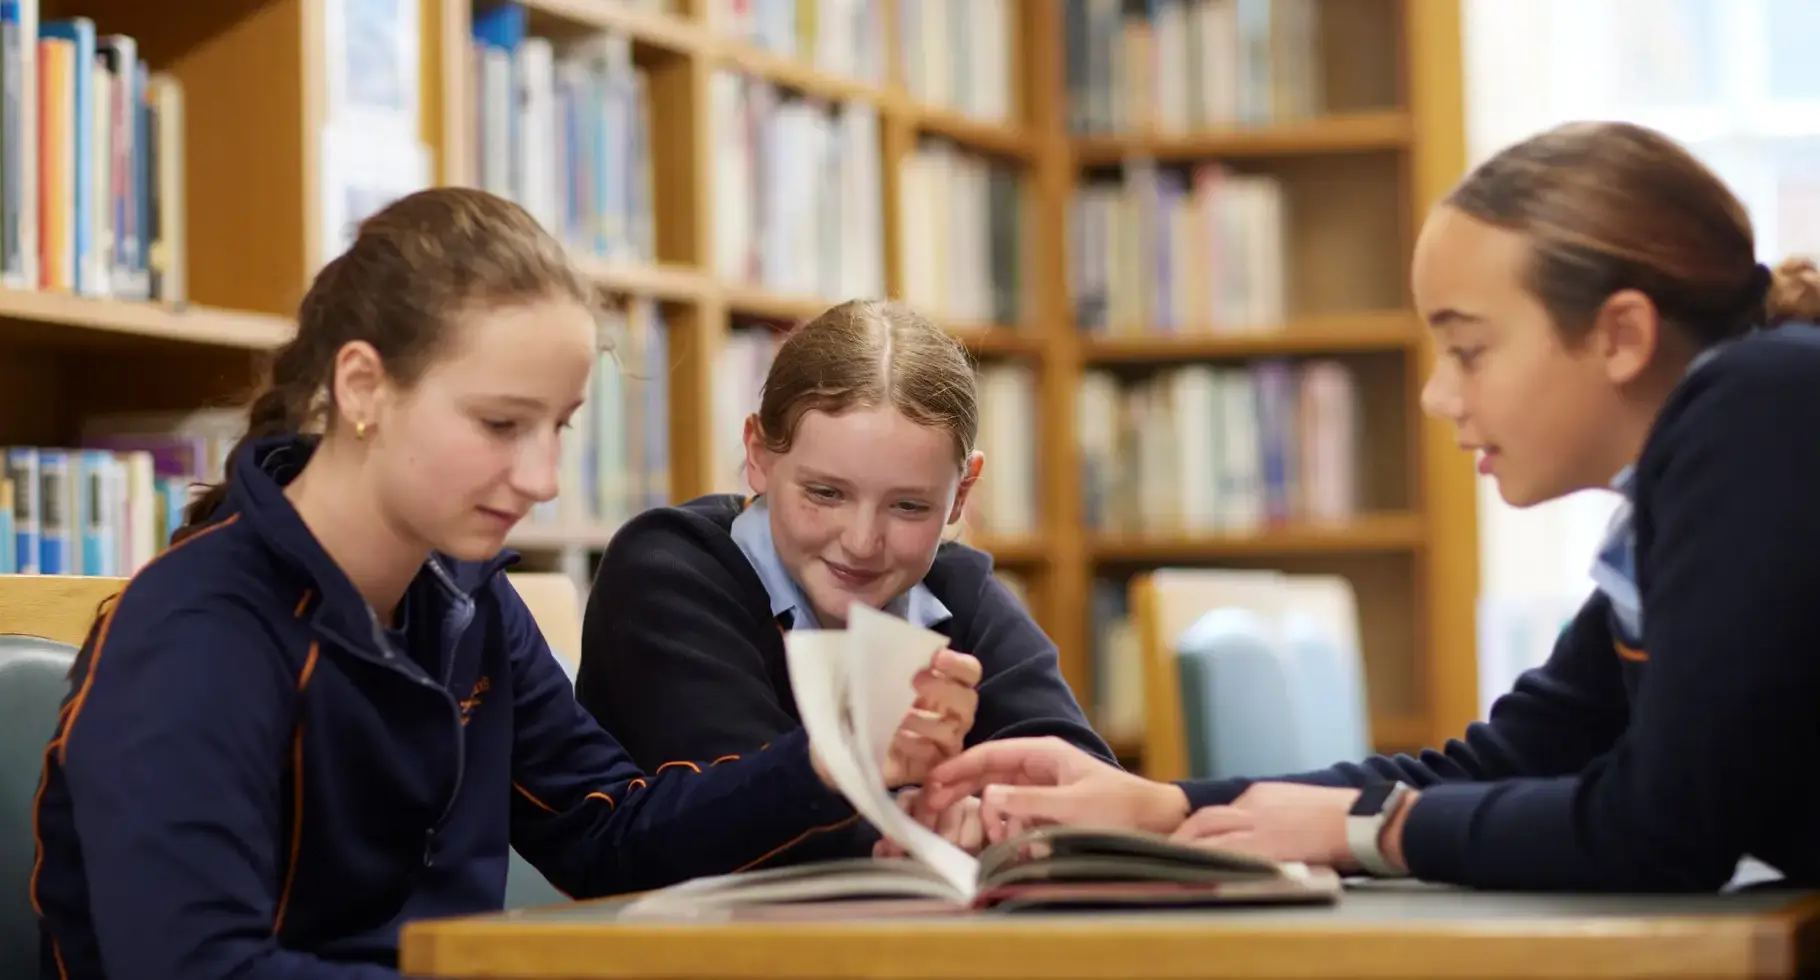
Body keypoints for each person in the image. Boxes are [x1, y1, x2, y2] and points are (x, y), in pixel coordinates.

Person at [29, 188, 981, 980]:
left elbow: (608, 832)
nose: (543, 479)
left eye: (558, 428)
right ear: (362, 388)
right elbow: (201, 969)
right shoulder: (195, 633)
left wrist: (826, 760)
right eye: (500, 425)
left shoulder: (466, 596)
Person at [915, 120, 1820, 894]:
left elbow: (1663, 827)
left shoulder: (1759, 400)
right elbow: (1514, 758)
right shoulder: (1698, 471)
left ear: (1621, 333)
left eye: (1469, 349)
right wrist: (1171, 806)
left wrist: (1371, 833)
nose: (1437, 396)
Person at [576, 298, 1114, 861]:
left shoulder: (958, 591)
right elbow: (737, 817)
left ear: (961, 494)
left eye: (908, 506)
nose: (861, 542)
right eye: (825, 493)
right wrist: (935, 823)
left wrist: (982, 817)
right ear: (758, 453)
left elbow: (1085, 790)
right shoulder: (669, 572)